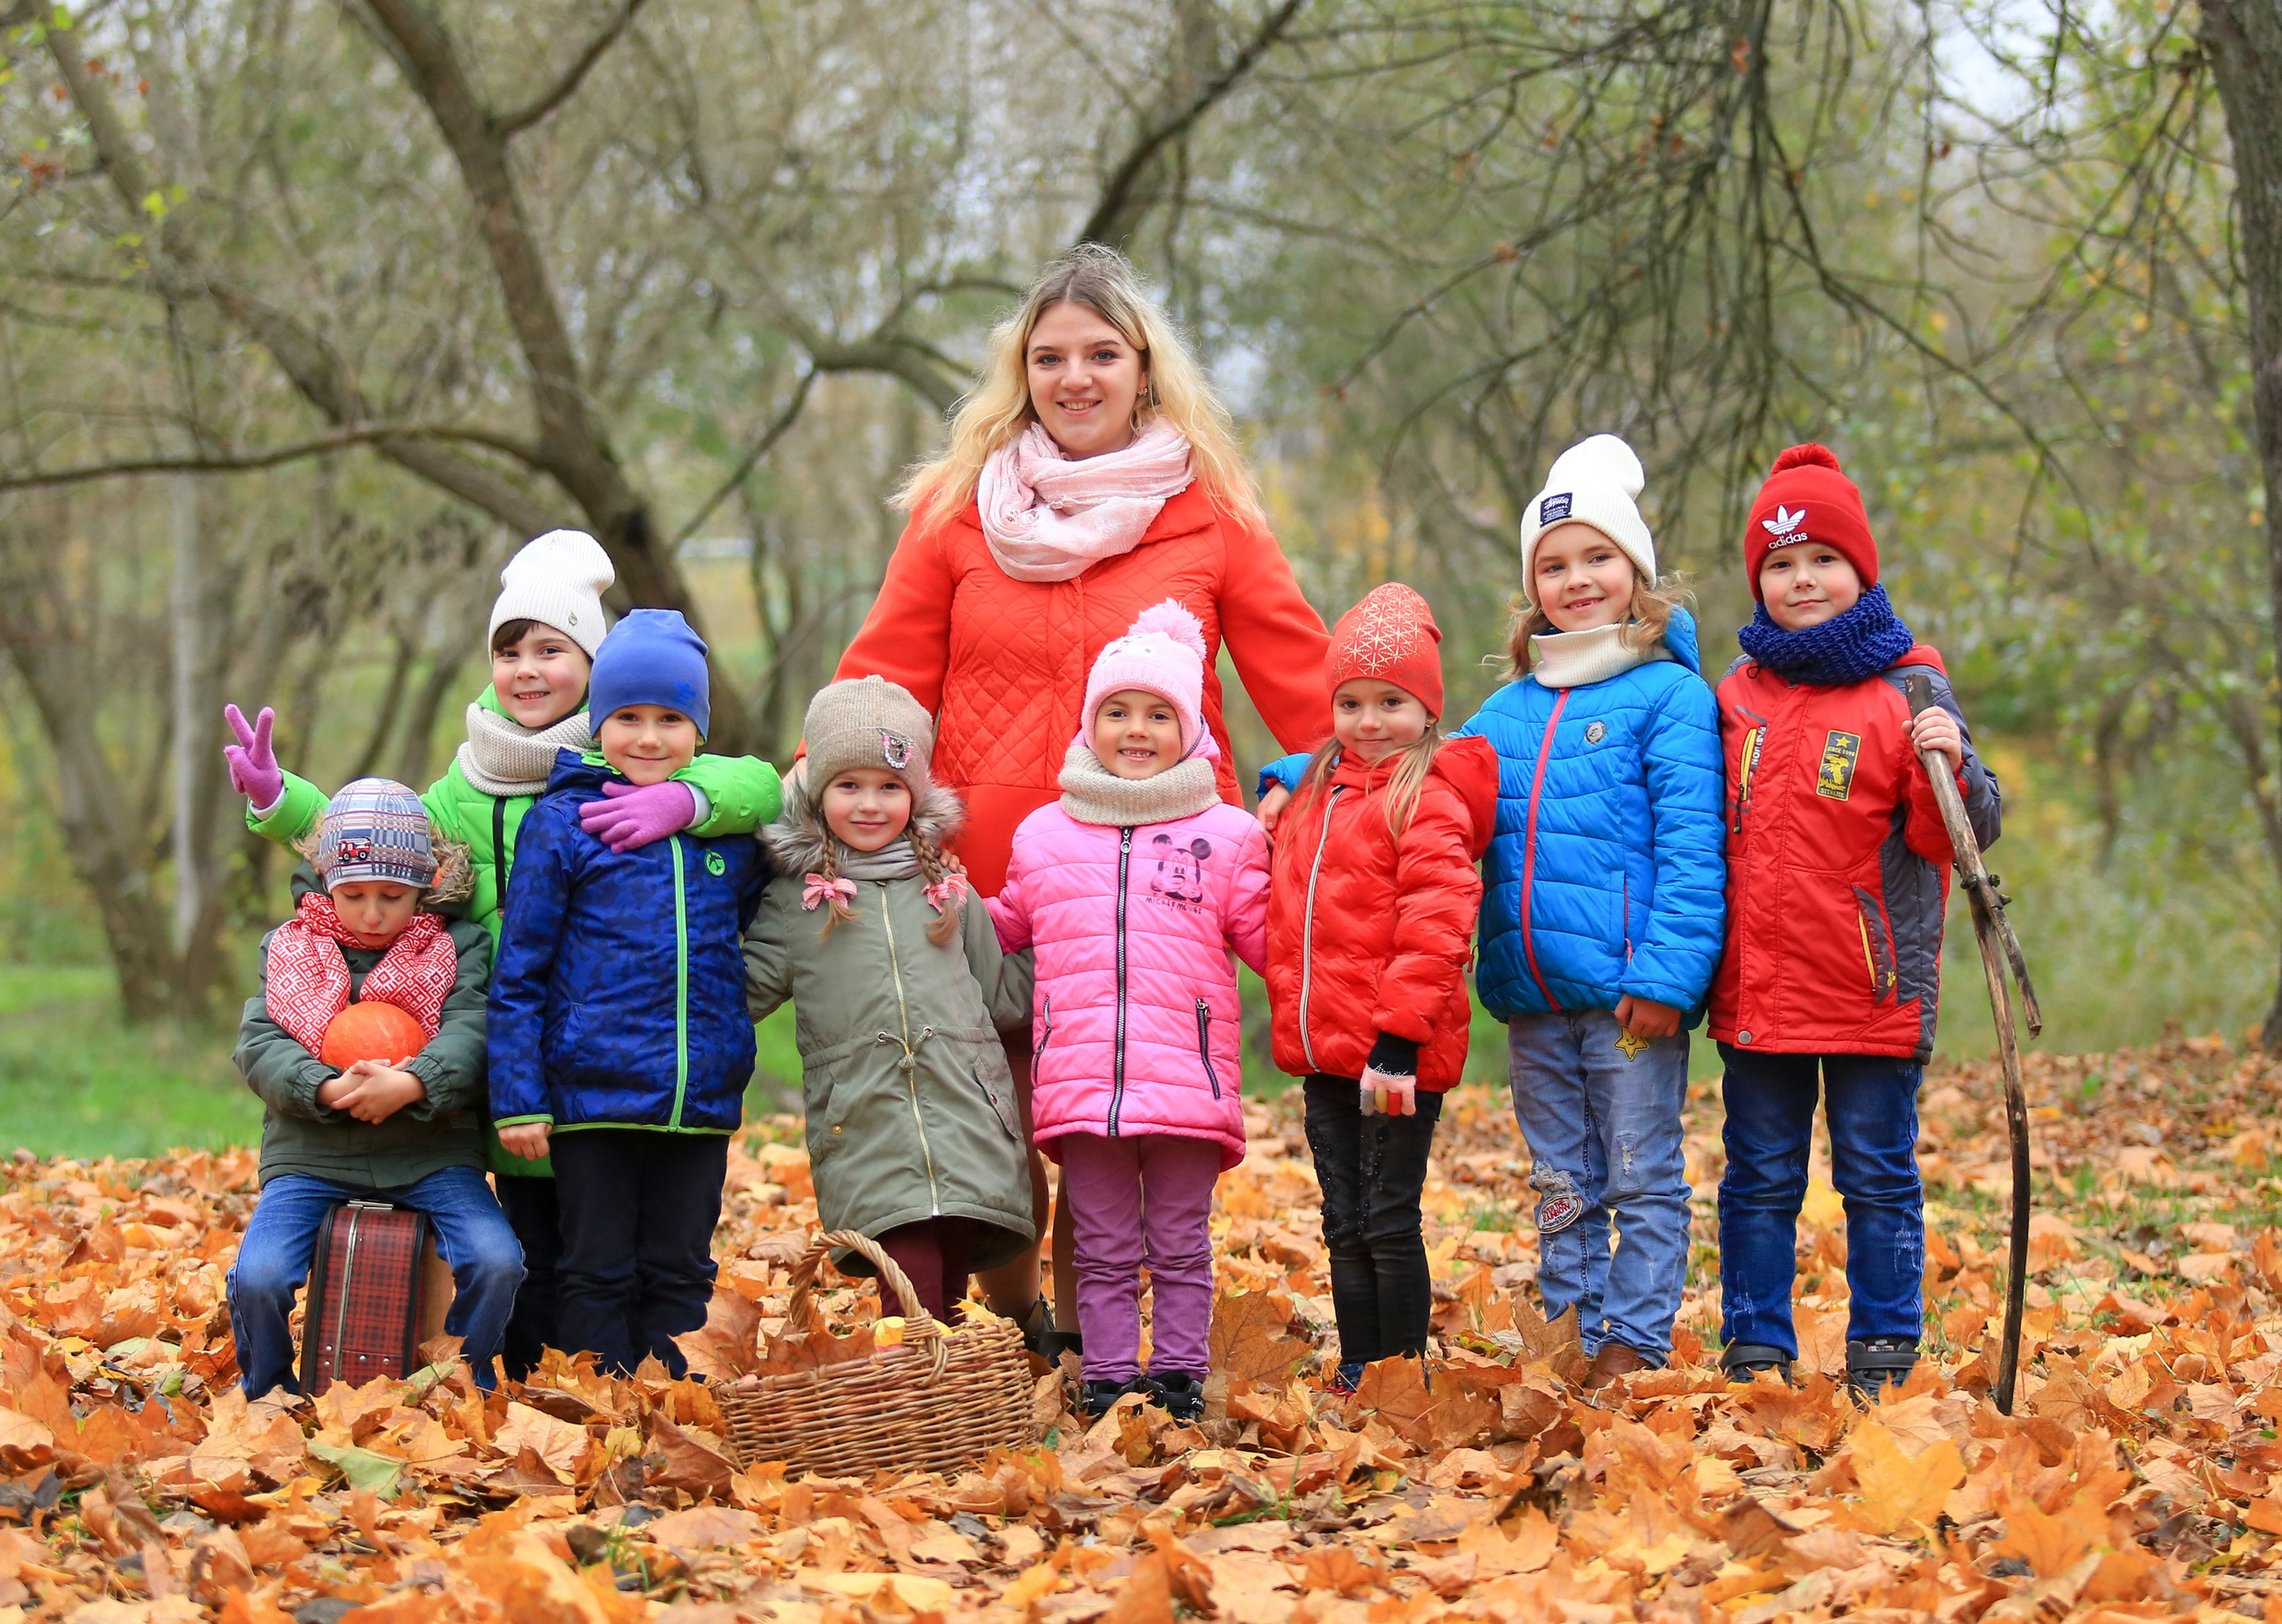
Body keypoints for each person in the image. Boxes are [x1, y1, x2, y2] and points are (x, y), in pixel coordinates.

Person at [833, 244, 1332, 1354]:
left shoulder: (1210, 517)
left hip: (1146, 897)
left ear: (1143, 370)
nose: (1075, 377)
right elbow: (878, 686)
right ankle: (1020, 1328)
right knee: (990, 1128)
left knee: (1101, 1129)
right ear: (1022, 373)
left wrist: (1343, 790)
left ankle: (1098, 1356)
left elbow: (1306, 684)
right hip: (970, 885)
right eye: (1049, 356)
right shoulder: (959, 512)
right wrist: (818, 810)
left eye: (1101, 353)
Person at [221, 529, 781, 1377]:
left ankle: (625, 1390)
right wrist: (282, 800)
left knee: (627, 1237)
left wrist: (686, 797)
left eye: (552, 649)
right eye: (508, 649)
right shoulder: (458, 792)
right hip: (503, 1057)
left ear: (594, 668)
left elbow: (763, 786)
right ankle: (529, 1393)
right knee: (535, 1254)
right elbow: (376, 845)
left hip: (609, 1052)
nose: (527, 668)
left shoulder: (628, 767)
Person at [1259, 439, 1727, 1388]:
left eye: (1596, 558)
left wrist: (1669, 974)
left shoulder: (1670, 696)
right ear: (1531, 587)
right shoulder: (1505, 713)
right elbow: (1397, 747)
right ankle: (1569, 1327)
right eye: (1552, 565)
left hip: (1633, 990)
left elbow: (1691, 845)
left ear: (1635, 570)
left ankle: (1630, 1340)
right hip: (1532, 992)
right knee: (1560, 1178)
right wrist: (1283, 778)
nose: (1575, 579)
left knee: (1637, 1170)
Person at [1710, 443, 2000, 1397]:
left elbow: (1959, 833)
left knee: (1875, 1173)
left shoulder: (1908, 686)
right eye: (1781, 564)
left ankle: (1883, 1348)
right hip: (1760, 984)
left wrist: (1947, 762)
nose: (1802, 579)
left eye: (1821, 559)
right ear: (1759, 580)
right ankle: (1756, 1343)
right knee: (1757, 1175)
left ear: (1859, 569)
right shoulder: (1736, 695)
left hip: (1872, 990)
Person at [987, 603, 1271, 1420]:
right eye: (1117, 712)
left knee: (1179, 1243)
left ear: (1191, 731)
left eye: (1158, 714)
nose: (1136, 730)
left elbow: (1269, 943)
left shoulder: (1227, 835)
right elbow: (1007, 924)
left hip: (1186, 1080)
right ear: (1091, 724)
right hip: (1082, 1082)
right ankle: (1108, 1374)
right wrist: (943, 903)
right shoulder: (1046, 834)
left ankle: (1178, 1373)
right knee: (1103, 1244)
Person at [486, 611, 768, 1377]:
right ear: (597, 724)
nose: (648, 739)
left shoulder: (724, 837)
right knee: (597, 1265)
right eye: (627, 719)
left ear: (698, 732)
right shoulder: (563, 824)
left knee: (680, 1267)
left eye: (671, 719)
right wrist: (519, 1097)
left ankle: (677, 1409)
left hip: (696, 1096)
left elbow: (777, 823)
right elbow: (521, 969)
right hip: (592, 1096)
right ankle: (599, 1411)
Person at [1260, 586, 1498, 1393]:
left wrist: (1398, 1041)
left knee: (1389, 1218)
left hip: (1394, 1055)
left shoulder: (1427, 799)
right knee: (1342, 1220)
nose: (1369, 721)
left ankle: (1400, 1376)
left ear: (1427, 709)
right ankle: (1359, 1363)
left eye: (1391, 702)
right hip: (1324, 1049)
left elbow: (1437, 924)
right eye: (1352, 702)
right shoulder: (1319, 793)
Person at [744, 677, 1036, 1321]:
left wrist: (1069, 937)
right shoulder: (796, 902)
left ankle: (951, 1403)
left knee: (951, 1268)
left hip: (965, 1113)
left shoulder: (947, 890)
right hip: (866, 1120)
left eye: (890, 787)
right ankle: (919, 1385)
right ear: (819, 792)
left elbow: (1006, 997)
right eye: (850, 785)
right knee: (909, 1271)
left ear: (915, 793)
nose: (870, 804)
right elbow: (744, 989)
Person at [228, 779, 524, 1396]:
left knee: (498, 1261)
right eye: (352, 894)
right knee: (259, 1275)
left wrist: (415, 1082)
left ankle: (463, 1376)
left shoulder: (456, 946)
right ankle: (268, 1388)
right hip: (312, 1154)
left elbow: (473, 1032)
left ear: (422, 886)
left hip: (431, 1152)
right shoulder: (290, 948)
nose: (370, 913)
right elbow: (260, 1044)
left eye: (391, 895)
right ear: (328, 885)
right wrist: (324, 1088)